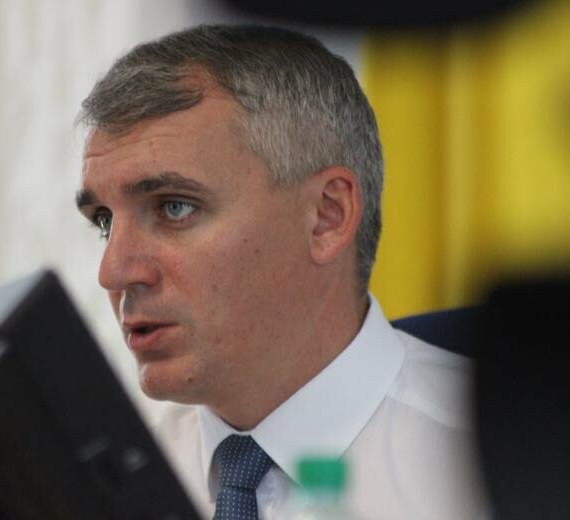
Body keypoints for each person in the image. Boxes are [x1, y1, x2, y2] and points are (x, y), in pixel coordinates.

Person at [75, 24, 486, 519]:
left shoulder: (513, 468)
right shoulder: (102, 486)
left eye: (174, 207)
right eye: (104, 221)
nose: (114, 271)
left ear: (327, 217)